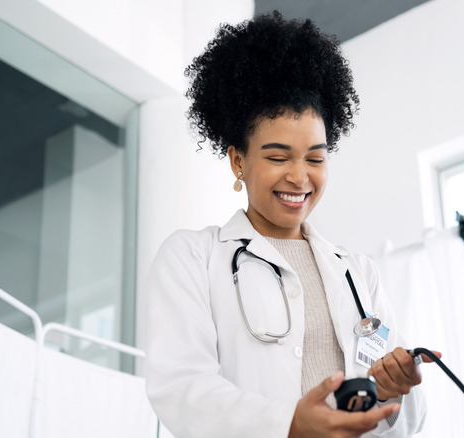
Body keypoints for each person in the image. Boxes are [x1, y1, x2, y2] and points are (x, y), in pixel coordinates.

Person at [145, 11, 436, 438]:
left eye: (315, 159)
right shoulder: (192, 257)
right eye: (278, 157)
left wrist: (393, 392)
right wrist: (290, 424)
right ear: (238, 160)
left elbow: (408, 425)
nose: (300, 177)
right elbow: (181, 388)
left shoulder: (357, 272)